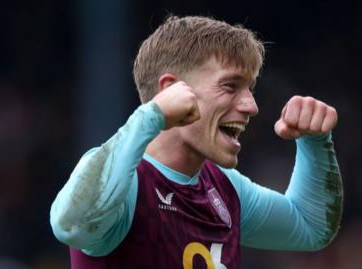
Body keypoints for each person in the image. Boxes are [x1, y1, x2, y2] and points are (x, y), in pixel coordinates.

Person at [49, 15, 343, 268]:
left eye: (250, 89)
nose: (251, 106)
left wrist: (315, 141)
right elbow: (71, 226)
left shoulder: (226, 188)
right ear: (171, 89)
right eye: (230, 86)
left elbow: (311, 227)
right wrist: (151, 115)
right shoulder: (126, 183)